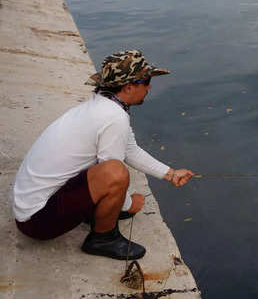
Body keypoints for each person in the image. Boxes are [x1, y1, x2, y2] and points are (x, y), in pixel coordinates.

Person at [12, 50, 194, 260]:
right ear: (129, 87)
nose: (149, 86)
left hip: (34, 208)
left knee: (112, 171)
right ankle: (104, 238)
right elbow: (112, 172)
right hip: (38, 222)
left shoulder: (104, 104)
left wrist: (170, 174)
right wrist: (127, 205)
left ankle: (98, 215)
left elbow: (130, 149)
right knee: (117, 173)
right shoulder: (113, 117)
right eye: (146, 81)